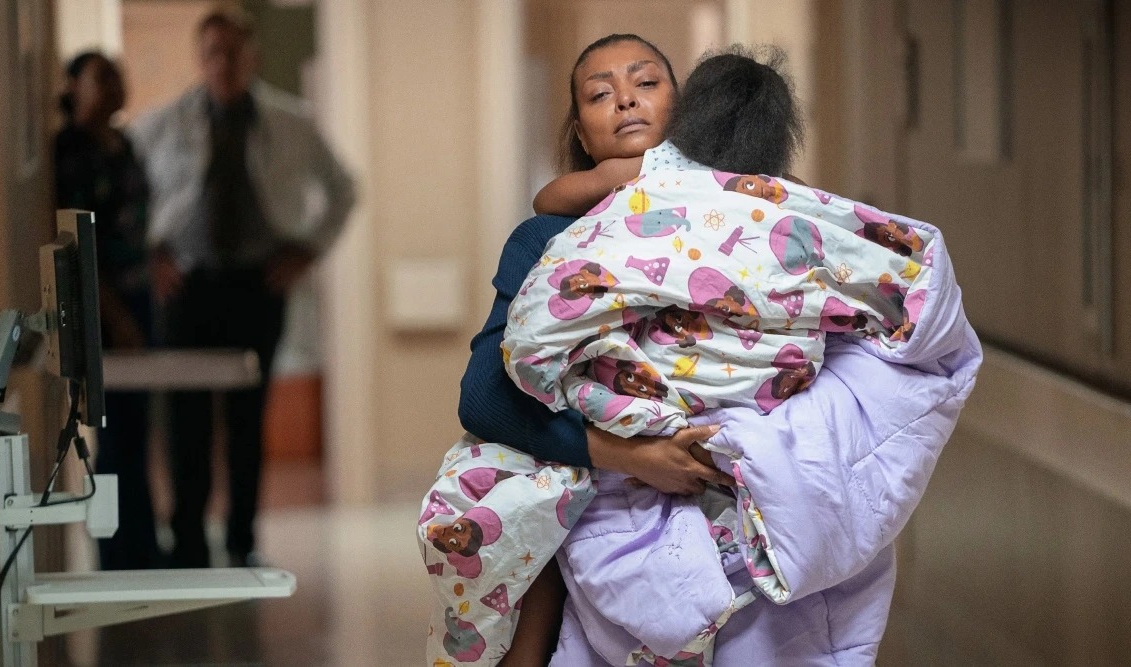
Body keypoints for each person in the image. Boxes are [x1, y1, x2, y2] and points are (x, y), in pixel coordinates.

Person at [420, 34, 981, 666]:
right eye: (600, 95)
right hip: (616, 463)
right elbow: (485, 396)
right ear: (581, 133)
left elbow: (842, 313)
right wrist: (632, 455)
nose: (626, 101)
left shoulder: (765, 212)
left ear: (686, 108)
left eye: (647, 83)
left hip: (748, 462)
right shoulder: (548, 237)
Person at [130, 7, 356, 568]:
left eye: (233, 52)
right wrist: (150, 254)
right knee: (185, 420)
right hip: (188, 287)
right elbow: (127, 197)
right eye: (213, 52)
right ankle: (186, 540)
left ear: (252, 56)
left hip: (256, 286)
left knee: (246, 420)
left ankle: (242, 538)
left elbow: (343, 189)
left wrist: (307, 251)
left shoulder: (291, 121)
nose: (223, 63)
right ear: (200, 58)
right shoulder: (164, 123)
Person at [53, 51, 160, 571]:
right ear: (74, 86)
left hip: (141, 296)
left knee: (138, 431)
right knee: (112, 435)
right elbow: (79, 243)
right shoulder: (69, 151)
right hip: (103, 306)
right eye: (102, 77)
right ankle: (116, 554)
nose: (116, 85)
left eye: (119, 74)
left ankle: (145, 546)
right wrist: (113, 316)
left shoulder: (125, 143)